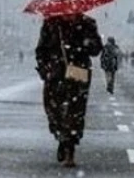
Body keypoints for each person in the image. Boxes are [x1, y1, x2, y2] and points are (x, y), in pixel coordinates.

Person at [35, 13, 103, 168]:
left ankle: (70, 148)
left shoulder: (88, 23)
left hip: (78, 71)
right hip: (55, 73)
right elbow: (41, 49)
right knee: (53, 108)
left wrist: (85, 44)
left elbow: (97, 49)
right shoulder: (51, 23)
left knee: (75, 110)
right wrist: (44, 69)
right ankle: (61, 137)